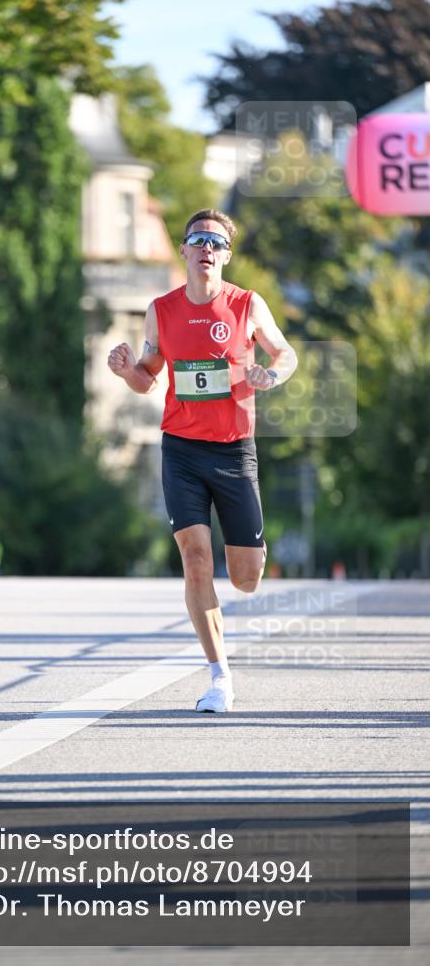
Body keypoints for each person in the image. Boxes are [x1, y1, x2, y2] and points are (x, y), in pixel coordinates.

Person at [107, 209, 298, 713]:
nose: (207, 249)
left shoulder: (246, 304)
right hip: (182, 450)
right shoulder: (161, 310)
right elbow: (147, 376)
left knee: (246, 578)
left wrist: (270, 375)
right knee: (195, 560)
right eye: (198, 240)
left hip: (235, 450)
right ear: (184, 251)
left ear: (226, 255)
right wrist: (127, 371)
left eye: (216, 242)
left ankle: (251, 550)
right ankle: (219, 678)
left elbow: (286, 354)